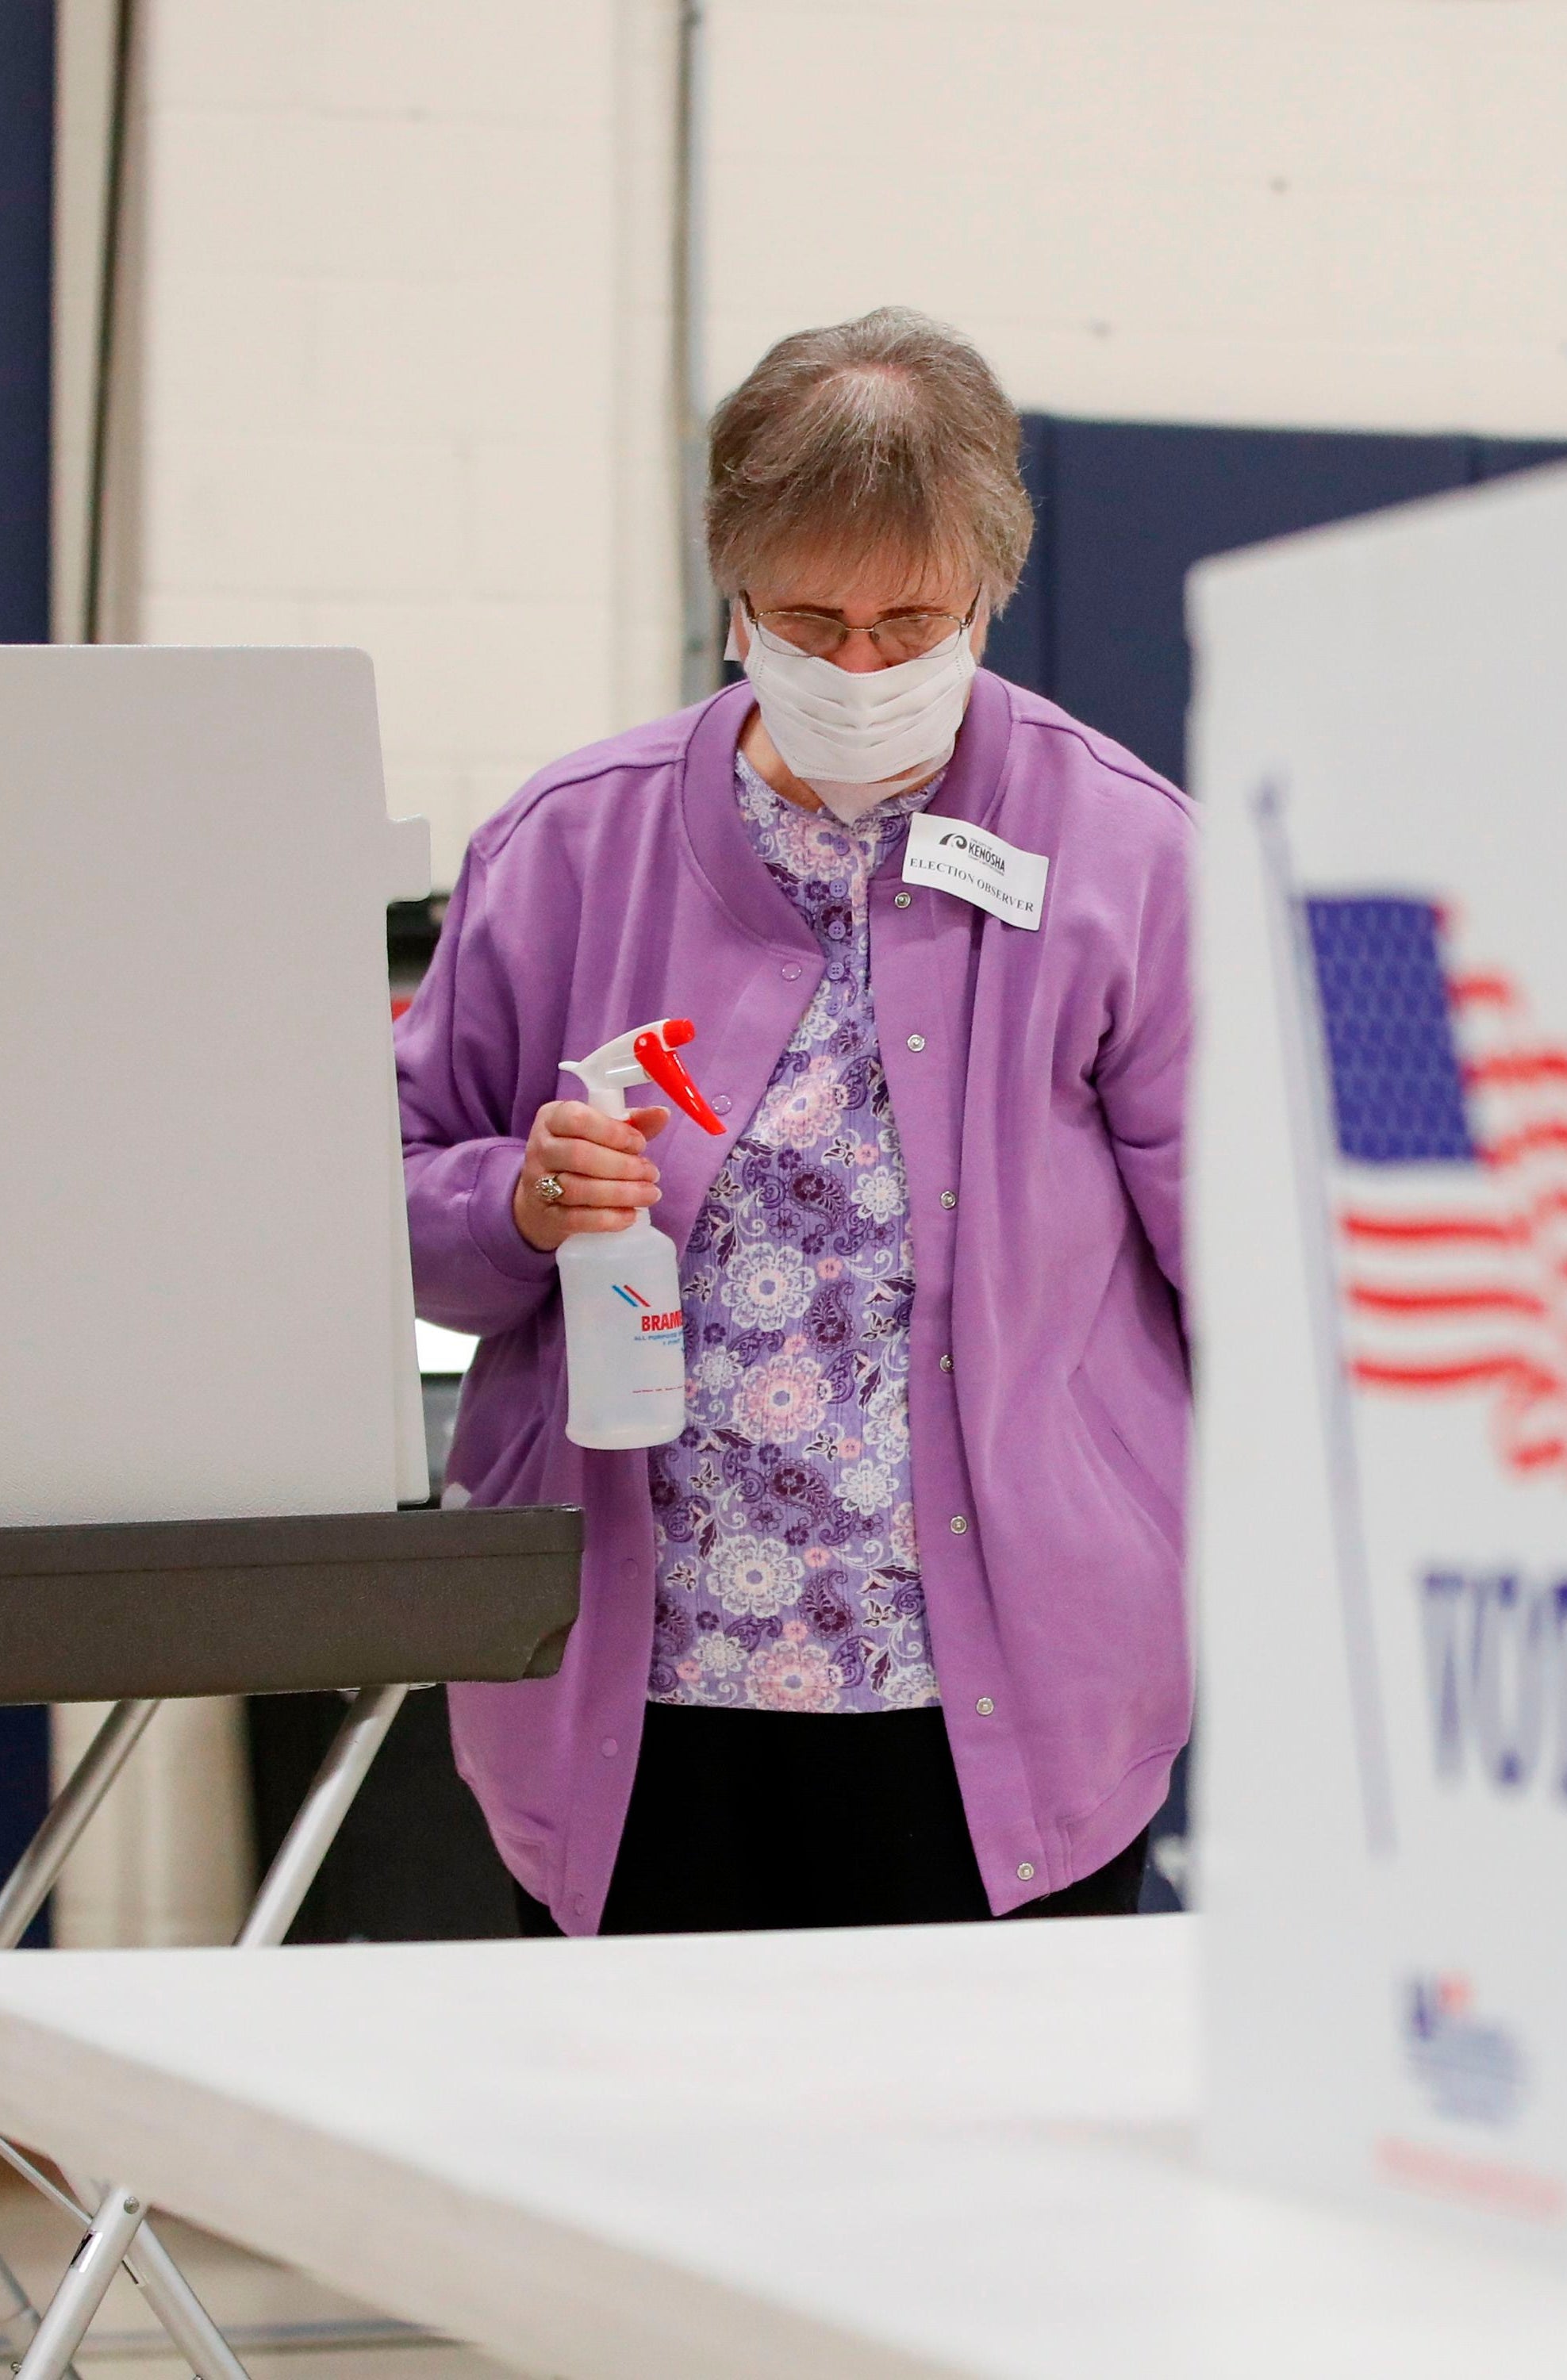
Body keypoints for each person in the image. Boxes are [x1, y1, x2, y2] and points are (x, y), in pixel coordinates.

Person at [397, 309, 1190, 1935]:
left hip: (1012, 1700)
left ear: (990, 593)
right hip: (639, 1690)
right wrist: (518, 1202)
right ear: (735, 593)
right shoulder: (568, 848)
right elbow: (383, 1205)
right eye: (814, 621)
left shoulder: (1124, 854)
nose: (863, 672)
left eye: (913, 622)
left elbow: (1262, 1266)